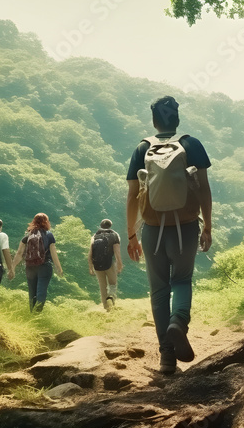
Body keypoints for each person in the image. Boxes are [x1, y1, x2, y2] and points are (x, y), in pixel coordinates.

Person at [126, 95, 213, 374]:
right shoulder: (191, 144)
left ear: (154, 120)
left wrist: (131, 235)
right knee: (182, 280)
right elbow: (203, 189)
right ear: (176, 118)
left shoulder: (142, 148)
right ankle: (179, 322)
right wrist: (208, 225)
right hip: (186, 226)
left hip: (152, 230)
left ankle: (166, 357)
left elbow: (131, 196)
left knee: (159, 291)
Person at [9, 213, 64, 313]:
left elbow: (19, 253)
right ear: (46, 222)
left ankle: (32, 315)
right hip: (44, 266)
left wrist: (12, 267)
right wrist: (59, 268)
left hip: (30, 267)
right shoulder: (49, 235)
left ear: (33, 221)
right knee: (41, 291)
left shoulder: (27, 235)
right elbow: (53, 253)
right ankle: (37, 314)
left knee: (32, 292)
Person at [88, 219, 123, 311]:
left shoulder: (95, 236)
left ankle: (106, 308)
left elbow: (90, 253)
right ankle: (111, 298)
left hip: (97, 265)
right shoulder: (114, 235)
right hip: (110, 263)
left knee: (102, 286)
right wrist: (120, 264)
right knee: (113, 284)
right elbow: (117, 252)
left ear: (101, 225)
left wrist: (90, 266)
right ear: (110, 225)